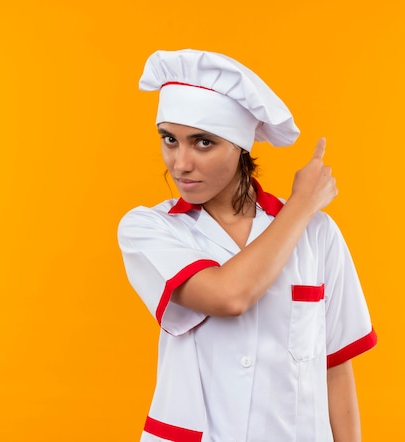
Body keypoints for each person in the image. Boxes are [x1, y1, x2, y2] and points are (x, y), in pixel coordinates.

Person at [118, 49, 377, 442]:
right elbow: (228, 295)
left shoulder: (318, 234)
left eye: (202, 143)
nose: (180, 162)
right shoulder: (149, 228)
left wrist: (304, 214)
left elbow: (335, 366)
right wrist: (303, 203)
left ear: (240, 146)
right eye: (169, 139)